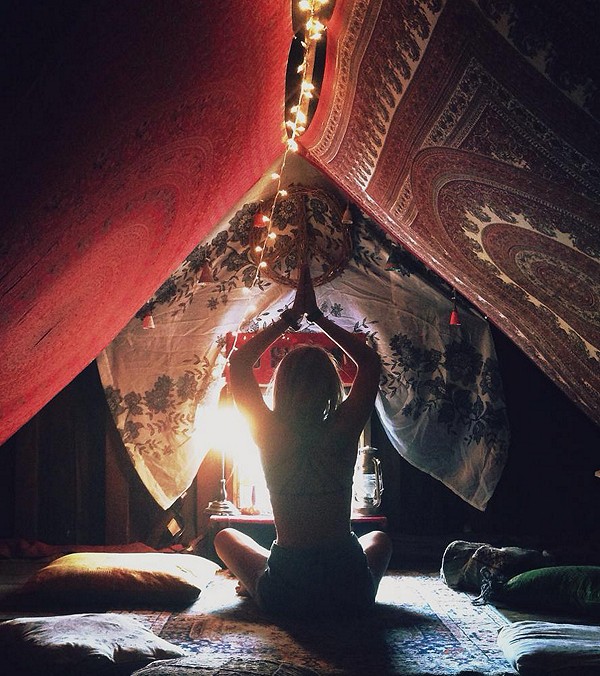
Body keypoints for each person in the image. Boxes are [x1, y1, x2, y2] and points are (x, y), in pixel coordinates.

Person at [214, 264, 392, 619]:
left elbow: (240, 362)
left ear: (281, 386)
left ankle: (255, 582)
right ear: (330, 387)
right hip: (350, 589)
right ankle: (347, 592)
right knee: (379, 540)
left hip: (286, 593)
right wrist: (319, 319)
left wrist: (289, 319)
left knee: (224, 538)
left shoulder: (268, 431)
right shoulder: (343, 428)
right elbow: (370, 364)